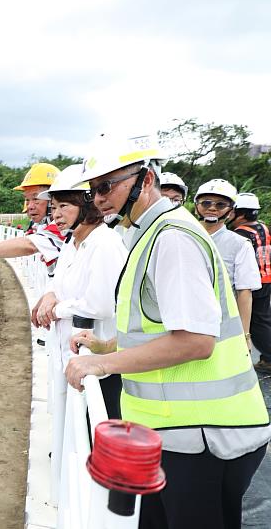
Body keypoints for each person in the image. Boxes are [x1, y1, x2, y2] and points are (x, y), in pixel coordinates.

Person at [64, 134, 270, 529]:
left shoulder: (172, 238)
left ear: (144, 180)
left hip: (209, 437)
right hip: (176, 434)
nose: (99, 198)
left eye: (106, 186)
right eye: (93, 190)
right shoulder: (146, 234)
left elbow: (195, 341)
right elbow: (156, 326)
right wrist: (106, 345)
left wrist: (104, 363)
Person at [32, 164, 126, 417]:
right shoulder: (73, 242)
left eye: (64, 206)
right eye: (53, 207)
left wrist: (56, 309)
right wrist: (50, 295)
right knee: (70, 422)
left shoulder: (104, 243)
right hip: (70, 353)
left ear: (87, 206)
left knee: (93, 424)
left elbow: (102, 304)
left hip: (99, 362)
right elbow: (59, 281)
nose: (56, 215)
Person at [193, 179, 260, 347]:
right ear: (196, 207)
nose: (212, 208)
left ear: (231, 212)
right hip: (185, 322)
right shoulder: (182, 237)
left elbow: (244, 291)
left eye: (221, 204)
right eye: (206, 202)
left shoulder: (239, 244)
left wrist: (244, 335)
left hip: (221, 326)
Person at [231, 192, 271, 373]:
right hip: (267, 278)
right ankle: (266, 357)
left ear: (240, 214)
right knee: (264, 318)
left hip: (253, 283)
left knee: (256, 322)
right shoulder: (263, 227)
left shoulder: (240, 234)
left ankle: (269, 358)